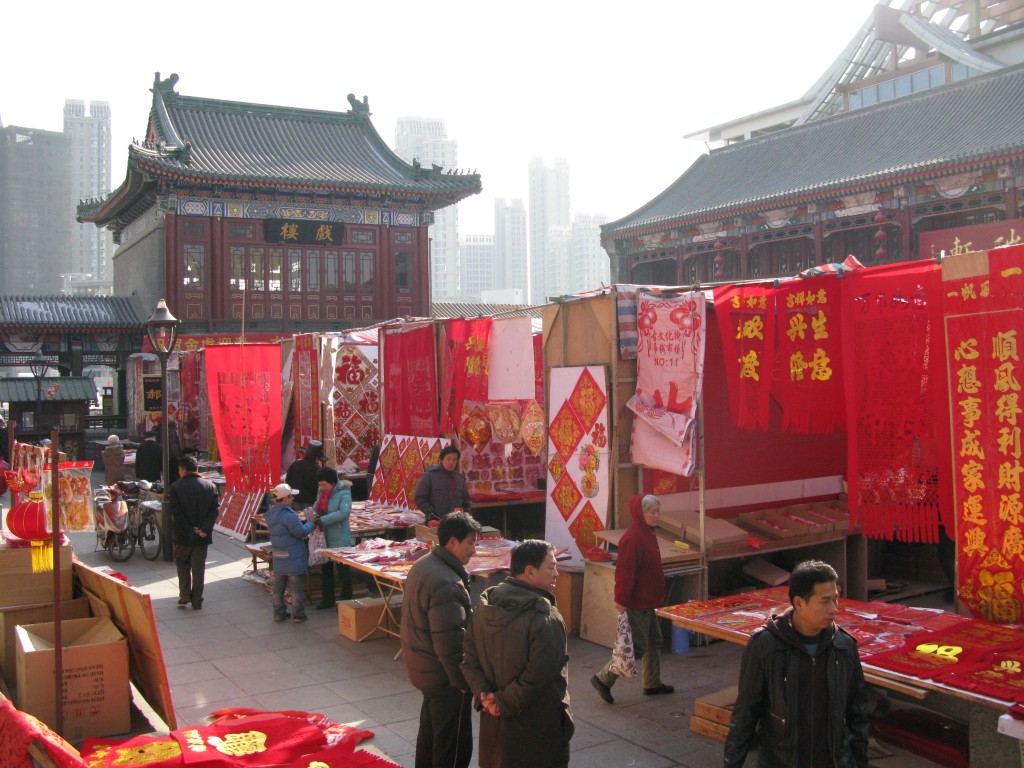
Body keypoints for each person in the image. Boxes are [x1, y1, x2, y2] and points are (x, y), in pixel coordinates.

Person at [724, 559, 870, 768]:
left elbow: (857, 717)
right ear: (799, 603)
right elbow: (745, 714)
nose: (833, 609)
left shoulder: (843, 646)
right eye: (825, 601)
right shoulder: (766, 645)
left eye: (835, 600)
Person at [462, 539, 574, 768]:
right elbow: (540, 676)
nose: (556, 574)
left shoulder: (484, 607)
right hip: (537, 732)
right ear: (530, 571)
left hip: (495, 729)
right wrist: (500, 702)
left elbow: (469, 661)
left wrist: (485, 695)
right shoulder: (545, 618)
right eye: (551, 567)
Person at [401, 511, 481, 768]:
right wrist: (463, 682)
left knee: (431, 736)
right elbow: (450, 643)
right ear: (452, 542)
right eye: (470, 543)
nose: (474, 550)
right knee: (452, 745)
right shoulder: (445, 581)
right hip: (445, 678)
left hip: (426, 670)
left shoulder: (425, 564)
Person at [591, 494, 674, 704]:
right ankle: (604, 678)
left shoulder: (647, 533)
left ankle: (652, 683)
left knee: (654, 641)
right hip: (636, 602)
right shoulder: (633, 538)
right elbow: (625, 574)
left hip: (649, 600)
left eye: (658, 511)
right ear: (641, 513)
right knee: (636, 646)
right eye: (653, 512)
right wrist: (621, 601)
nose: (657, 516)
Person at [169, 453, 219, 610]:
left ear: (182, 469)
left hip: (182, 535)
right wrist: (204, 529)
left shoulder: (176, 487)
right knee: (199, 569)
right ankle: (197, 600)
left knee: (182, 564)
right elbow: (214, 511)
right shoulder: (210, 486)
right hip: (202, 537)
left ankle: (184, 595)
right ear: (196, 468)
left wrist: (190, 529)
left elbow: (176, 513)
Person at [265, 483, 317, 623]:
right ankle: (298, 614)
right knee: (295, 586)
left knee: (278, 585)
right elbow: (300, 532)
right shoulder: (289, 515)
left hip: (279, 552)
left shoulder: (271, 514)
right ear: (285, 498)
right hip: (293, 553)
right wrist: (311, 523)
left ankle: (278, 613)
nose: (293, 499)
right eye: (291, 496)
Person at [310, 466, 353, 609]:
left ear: (332, 482)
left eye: (324, 485)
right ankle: (327, 600)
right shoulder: (320, 492)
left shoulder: (344, 492)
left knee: (343, 571)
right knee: (326, 569)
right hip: (324, 536)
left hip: (339, 536)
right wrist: (315, 516)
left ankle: (346, 602)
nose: (322, 488)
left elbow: (344, 512)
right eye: (320, 485)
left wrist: (323, 520)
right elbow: (315, 508)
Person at [414, 445, 471, 521]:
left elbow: (466, 502)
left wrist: (466, 518)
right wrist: (432, 514)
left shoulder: (460, 479)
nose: (451, 462)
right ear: (441, 460)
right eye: (448, 459)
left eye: (454, 460)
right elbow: (420, 498)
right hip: (436, 521)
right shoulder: (430, 475)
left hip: (457, 522)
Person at [285, 440, 324, 509]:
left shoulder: (295, 464)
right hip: (310, 502)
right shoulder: (317, 469)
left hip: (295, 500)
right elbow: (320, 487)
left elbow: (288, 481)